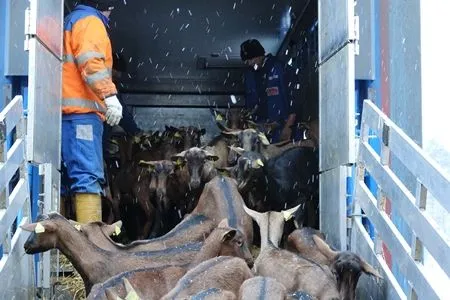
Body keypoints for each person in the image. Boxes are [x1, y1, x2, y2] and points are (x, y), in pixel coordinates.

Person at [61, 0, 122, 223]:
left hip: (67, 115)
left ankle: (61, 245)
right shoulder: (90, 22)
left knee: (65, 179)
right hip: (82, 116)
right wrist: (110, 95)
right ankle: (90, 244)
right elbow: (91, 61)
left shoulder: (70, 20)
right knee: (87, 177)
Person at [240, 39, 301, 142]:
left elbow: (295, 100)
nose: (249, 63)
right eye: (246, 61)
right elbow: (252, 104)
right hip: (263, 130)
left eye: (251, 59)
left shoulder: (281, 69)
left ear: (260, 55)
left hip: (284, 129)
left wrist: (288, 126)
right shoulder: (251, 76)